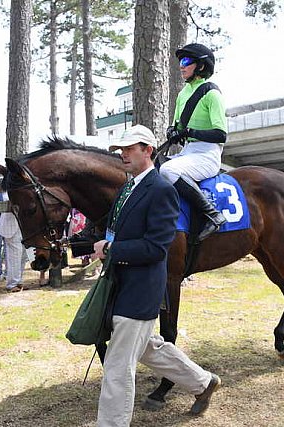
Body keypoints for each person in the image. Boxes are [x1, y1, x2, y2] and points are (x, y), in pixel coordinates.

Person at [93, 125, 221, 426]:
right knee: (148, 348)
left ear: (148, 150)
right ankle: (202, 382)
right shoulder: (128, 188)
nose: (122, 154)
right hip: (121, 286)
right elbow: (121, 232)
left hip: (142, 290)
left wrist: (112, 249)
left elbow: (155, 248)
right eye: (120, 150)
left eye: (129, 148)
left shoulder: (163, 190)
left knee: (117, 365)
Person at [161, 43, 227, 241]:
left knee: (168, 171)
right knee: (153, 168)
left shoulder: (213, 94)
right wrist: (172, 131)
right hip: (188, 152)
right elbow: (178, 127)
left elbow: (220, 134)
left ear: (200, 66)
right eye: (181, 61)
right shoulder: (183, 94)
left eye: (186, 61)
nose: (181, 66)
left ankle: (212, 214)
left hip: (207, 154)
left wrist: (191, 132)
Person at [0, 181, 27, 293]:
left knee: (23, 255)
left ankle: (19, 280)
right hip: (11, 227)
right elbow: (12, 201)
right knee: (14, 255)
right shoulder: (7, 191)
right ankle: (12, 284)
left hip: (22, 227)